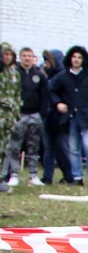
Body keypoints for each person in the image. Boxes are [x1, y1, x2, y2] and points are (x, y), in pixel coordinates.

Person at [48, 46, 88, 186]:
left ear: (84, 60)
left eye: (79, 57)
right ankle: (77, 177)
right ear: (70, 59)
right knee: (73, 148)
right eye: (74, 57)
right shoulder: (62, 76)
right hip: (71, 117)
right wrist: (58, 104)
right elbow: (52, 91)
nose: (76, 60)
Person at [3, 47, 47, 187]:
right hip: (19, 115)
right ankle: (14, 174)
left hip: (35, 115)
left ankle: (33, 175)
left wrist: (42, 113)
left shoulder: (39, 75)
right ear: (20, 57)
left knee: (33, 146)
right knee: (15, 146)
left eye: (29, 56)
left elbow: (44, 96)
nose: (27, 58)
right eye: (24, 56)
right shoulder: (15, 74)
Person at [39, 49, 69, 185]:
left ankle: (69, 175)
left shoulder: (62, 76)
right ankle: (47, 176)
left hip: (59, 117)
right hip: (48, 115)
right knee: (48, 147)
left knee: (61, 148)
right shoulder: (47, 76)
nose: (46, 63)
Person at [0, 44, 21, 191]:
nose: (7, 57)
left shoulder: (15, 73)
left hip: (10, 115)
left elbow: (18, 93)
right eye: (4, 54)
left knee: (4, 148)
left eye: (9, 54)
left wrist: (16, 112)